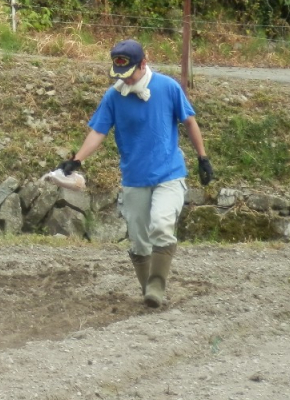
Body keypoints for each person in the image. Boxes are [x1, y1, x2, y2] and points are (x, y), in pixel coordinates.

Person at [59, 40, 214, 308]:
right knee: (139, 241)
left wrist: (203, 157)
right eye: (121, 75)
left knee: (162, 225)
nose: (126, 80)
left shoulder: (167, 87)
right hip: (134, 178)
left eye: (130, 73)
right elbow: (98, 131)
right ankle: (148, 291)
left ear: (143, 63)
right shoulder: (113, 97)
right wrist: (77, 161)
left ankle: (157, 285)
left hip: (169, 174)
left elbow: (189, 121)